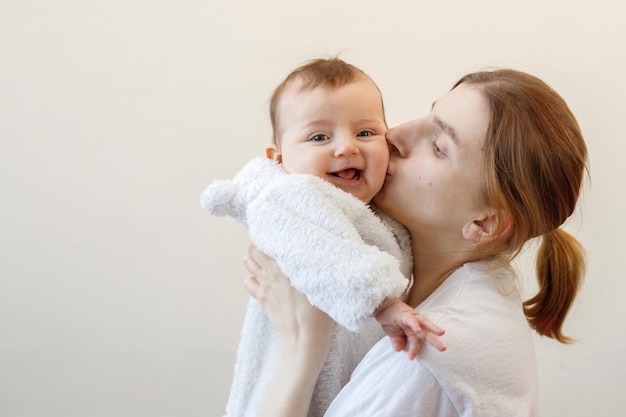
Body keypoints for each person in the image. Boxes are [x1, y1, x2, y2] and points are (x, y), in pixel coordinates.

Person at [244, 68, 588, 416]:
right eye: (428, 115)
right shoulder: (454, 291)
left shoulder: (426, 351)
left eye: (439, 146)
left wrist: (299, 347)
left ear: (484, 222)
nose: (393, 134)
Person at [201, 58, 445, 417]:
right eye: (319, 137)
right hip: (296, 392)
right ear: (280, 158)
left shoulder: (380, 210)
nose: (347, 147)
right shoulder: (290, 198)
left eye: (365, 133)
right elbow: (325, 254)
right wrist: (384, 302)